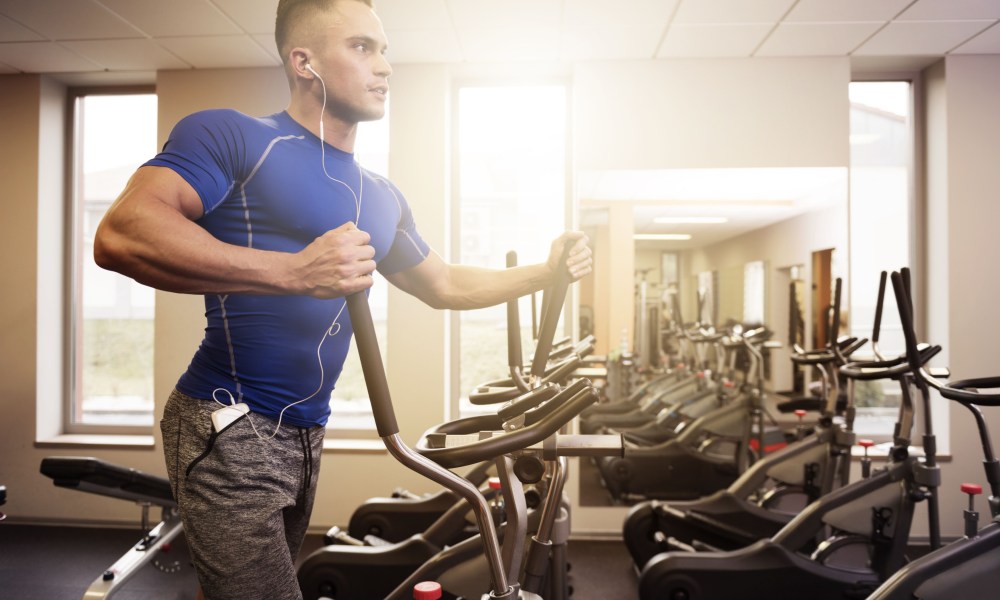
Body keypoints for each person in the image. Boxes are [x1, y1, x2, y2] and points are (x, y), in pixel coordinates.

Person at [93, 0, 592, 598]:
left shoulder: (381, 195)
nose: (384, 66)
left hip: (307, 430)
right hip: (229, 420)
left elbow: (445, 284)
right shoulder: (237, 136)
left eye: (384, 50)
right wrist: (295, 271)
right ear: (304, 62)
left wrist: (547, 272)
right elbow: (123, 232)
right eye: (361, 47)